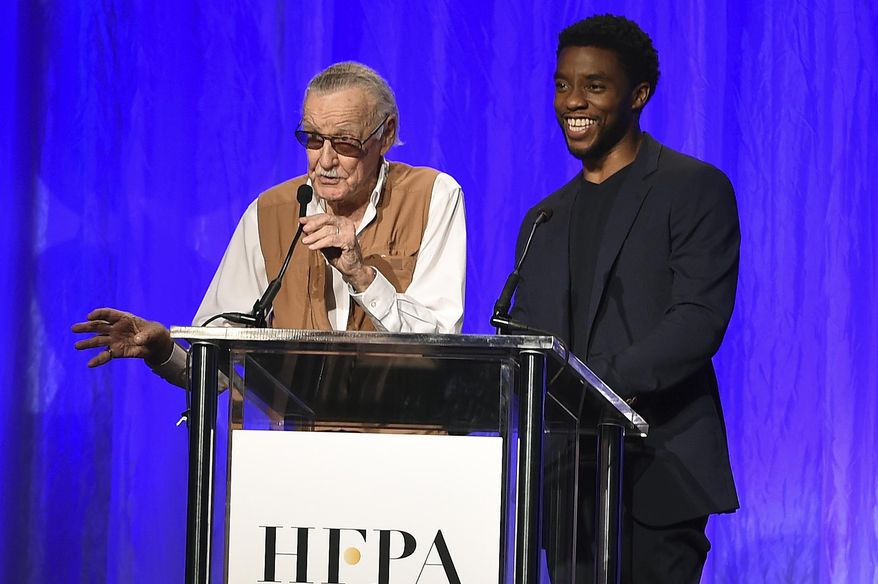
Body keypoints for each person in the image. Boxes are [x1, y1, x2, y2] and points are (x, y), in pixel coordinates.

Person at [508, 15, 739, 583]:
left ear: (639, 94)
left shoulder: (693, 189)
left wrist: (592, 384)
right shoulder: (544, 217)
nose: (573, 101)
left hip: (659, 473)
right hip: (566, 487)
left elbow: (697, 320)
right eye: (563, 85)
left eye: (594, 86)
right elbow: (527, 338)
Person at [73, 62, 466, 386]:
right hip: (286, 457)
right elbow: (218, 370)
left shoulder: (433, 196)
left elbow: (441, 345)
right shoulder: (268, 213)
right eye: (313, 140)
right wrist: (162, 351)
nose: (324, 160)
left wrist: (362, 275)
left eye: (344, 142)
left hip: (405, 453)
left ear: (386, 134)